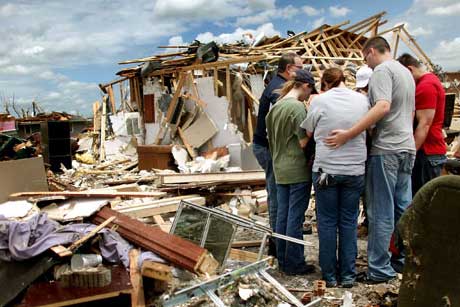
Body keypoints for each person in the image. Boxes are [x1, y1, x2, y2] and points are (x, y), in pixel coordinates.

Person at [325, 36, 416, 283]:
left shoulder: (382, 71)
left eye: (365, 57)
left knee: (381, 212)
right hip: (406, 148)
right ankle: (401, 261)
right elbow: (408, 111)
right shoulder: (406, 72)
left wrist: (349, 133)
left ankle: (379, 269)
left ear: (372, 51)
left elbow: (383, 106)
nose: (366, 63)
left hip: (386, 149)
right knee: (402, 209)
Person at [301, 68, 369, 288]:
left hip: (326, 170)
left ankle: (329, 276)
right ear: (344, 80)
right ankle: (348, 275)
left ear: (325, 83)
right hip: (354, 170)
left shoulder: (319, 101)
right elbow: (371, 129)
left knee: (327, 223)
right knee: (349, 222)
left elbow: (309, 132)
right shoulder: (362, 100)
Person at [266, 69, 317, 275]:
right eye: (310, 90)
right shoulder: (297, 108)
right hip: (296, 168)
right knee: (295, 218)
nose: (309, 95)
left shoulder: (275, 107)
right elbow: (303, 142)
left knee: (282, 217)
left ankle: (283, 261)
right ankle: (295, 263)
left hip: (279, 167)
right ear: (305, 85)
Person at [252, 52, 303, 256]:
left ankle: (278, 239)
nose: (303, 69)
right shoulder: (277, 89)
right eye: (300, 66)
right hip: (268, 148)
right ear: (290, 69)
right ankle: (277, 244)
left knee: (278, 196)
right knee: (277, 196)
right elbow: (281, 113)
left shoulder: (277, 84)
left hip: (266, 146)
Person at [397, 53, 447, 196]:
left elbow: (424, 125)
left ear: (410, 70)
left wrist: (409, 155)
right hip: (427, 152)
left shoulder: (426, 86)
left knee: (421, 202)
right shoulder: (428, 82)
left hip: (427, 153)